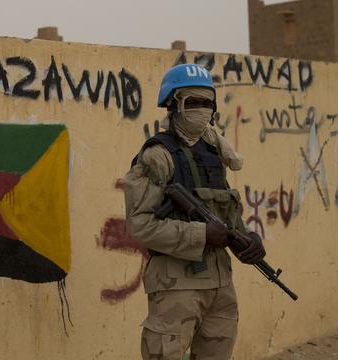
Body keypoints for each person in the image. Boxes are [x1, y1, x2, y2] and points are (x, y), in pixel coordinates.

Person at [123, 63, 266, 360]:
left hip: (220, 285)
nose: (201, 110)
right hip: (176, 287)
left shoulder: (212, 154)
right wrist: (200, 234)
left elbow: (226, 213)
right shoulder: (157, 157)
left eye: (207, 103)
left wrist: (248, 239)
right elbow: (140, 226)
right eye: (193, 102)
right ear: (173, 105)